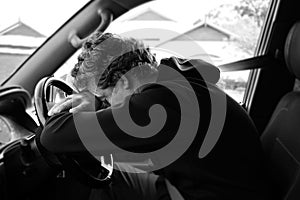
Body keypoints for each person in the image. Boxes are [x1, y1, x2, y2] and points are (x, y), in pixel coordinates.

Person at [36, 31, 272, 200]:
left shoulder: (155, 106)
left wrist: (88, 103)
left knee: (103, 184)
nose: (104, 106)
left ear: (124, 82)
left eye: (104, 98)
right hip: (207, 185)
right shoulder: (176, 78)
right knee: (111, 176)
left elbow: (52, 137)